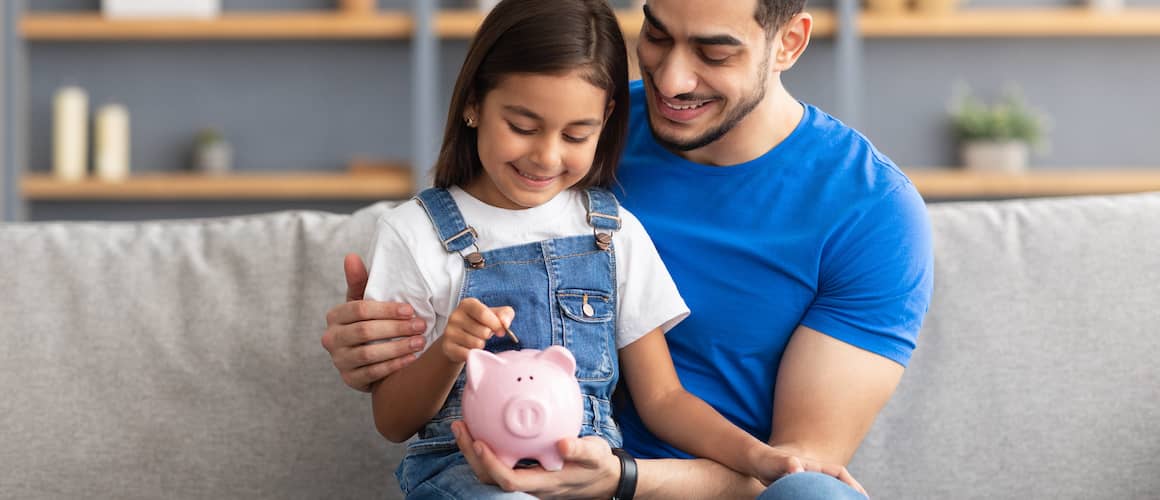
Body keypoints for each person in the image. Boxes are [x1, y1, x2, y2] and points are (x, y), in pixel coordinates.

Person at [323, 0, 933, 498]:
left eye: (714, 52)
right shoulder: (584, 118)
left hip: (670, 483)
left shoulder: (872, 212)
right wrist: (383, 348)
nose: (670, 80)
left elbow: (791, 468)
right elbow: (399, 397)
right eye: (658, 35)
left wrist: (625, 481)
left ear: (789, 44)